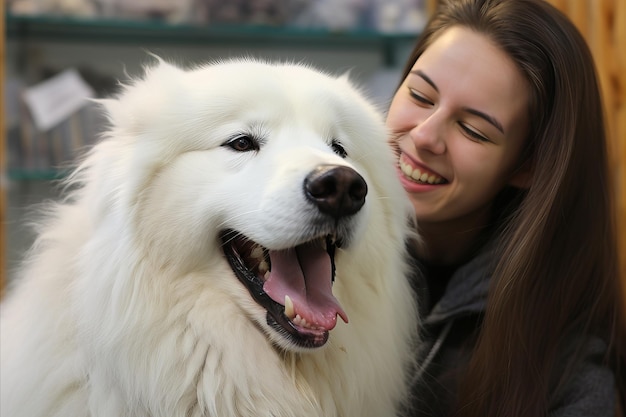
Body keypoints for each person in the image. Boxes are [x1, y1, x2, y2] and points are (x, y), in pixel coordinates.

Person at [385, 0, 626, 416]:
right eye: (421, 95)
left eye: (473, 130)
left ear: (527, 165)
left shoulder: (571, 378)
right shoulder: (299, 254)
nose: (425, 136)